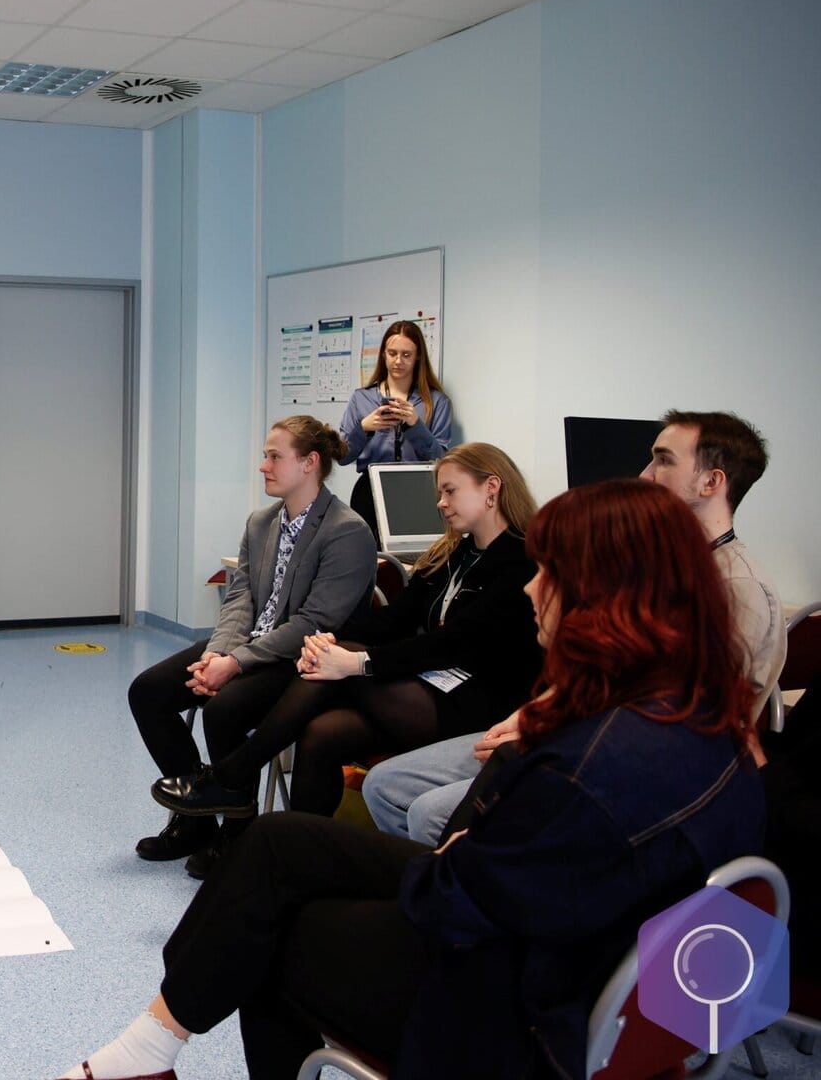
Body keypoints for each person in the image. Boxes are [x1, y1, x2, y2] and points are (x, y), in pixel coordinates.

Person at [60, 479, 764, 1080]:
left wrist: (468, 844)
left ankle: (148, 1047)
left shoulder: (580, 772)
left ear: (602, 597)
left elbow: (447, 902)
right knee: (278, 843)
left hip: (514, 1010)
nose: (531, 586)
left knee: (264, 932)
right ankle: (152, 1042)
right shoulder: (708, 722)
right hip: (596, 970)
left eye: (549, 573)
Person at [364, 408, 784, 844]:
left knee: (431, 814)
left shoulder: (738, 592)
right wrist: (533, 713)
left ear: (711, 482)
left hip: (616, 764)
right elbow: (595, 672)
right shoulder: (652, 568)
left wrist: (548, 728)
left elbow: (682, 732)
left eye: (663, 460)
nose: (644, 474)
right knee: (385, 786)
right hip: (573, 729)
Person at [158, 444, 541, 848]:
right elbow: (395, 620)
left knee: (340, 670)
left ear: (491, 488)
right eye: (440, 493)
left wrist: (358, 662)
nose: (440, 503)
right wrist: (330, 641)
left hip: (481, 702)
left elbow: (453, 645)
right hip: (429, 685)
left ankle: (231, 776)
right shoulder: (453, 553)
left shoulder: (522, 560)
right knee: (322, 733)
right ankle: (297, 855)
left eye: (450, 491)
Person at [129, 416, 375, 875]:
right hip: (247, 644)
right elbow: (240, 596)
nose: (263, 465)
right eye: (265, 456)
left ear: (310, 463)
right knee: (148, 692)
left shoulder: (347, 530)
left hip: (298, 658)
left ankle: (238, 834)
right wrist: (216, 652)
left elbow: (313, 622)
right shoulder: (261, 523)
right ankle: (196, 819)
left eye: (274, 456)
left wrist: (235, 663)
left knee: (224, 708)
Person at [339, 320, 452, 535]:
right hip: (369, 492)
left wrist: (415, 425)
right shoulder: (361, 398)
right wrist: (364, 428)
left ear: (418, 356)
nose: (398, 361)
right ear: (383, 354)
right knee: (367, 552)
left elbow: (441, 460)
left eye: (406, 355)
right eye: (392, 353)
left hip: (418, 491)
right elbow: (343, 456)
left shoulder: (437, 401)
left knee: (416, 552)